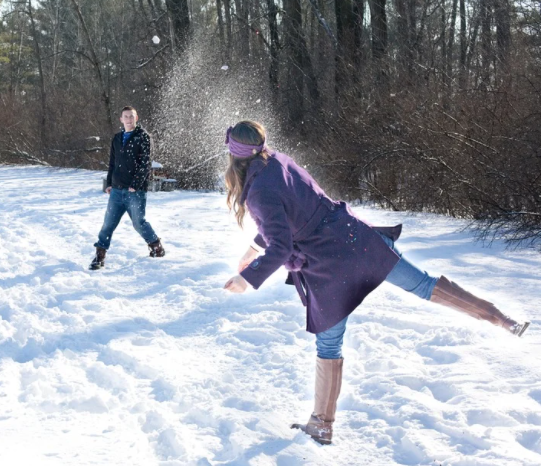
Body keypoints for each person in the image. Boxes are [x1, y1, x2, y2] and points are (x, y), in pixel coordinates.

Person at [221, 120, 530, 445]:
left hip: (329, 264)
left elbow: (282, 244)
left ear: (234, 155)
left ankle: (322, 425)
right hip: (357, 238)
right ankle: (502, 319)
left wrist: (247, 278)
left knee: (329, 345)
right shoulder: (279, 162)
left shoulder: (258, 191)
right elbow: (294, 212)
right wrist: (253, 249)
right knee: (424, 285)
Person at [90, 106, 165, 270]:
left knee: (139, 223)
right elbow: (112, 162)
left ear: (136, 118)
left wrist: (135, 184)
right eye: (126, 116)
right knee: (108, 224)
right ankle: (100, 255)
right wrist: (109, 183)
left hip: (135, 191)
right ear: (121, 119)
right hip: (116, 190)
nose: (129, 119)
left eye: (131, 116)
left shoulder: (143, 137)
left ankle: (156, 247)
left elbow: (145, 163)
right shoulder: (117, 138)